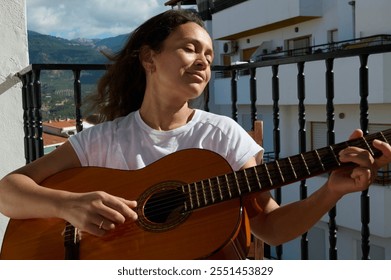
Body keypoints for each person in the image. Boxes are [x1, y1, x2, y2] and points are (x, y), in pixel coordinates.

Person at [0, 9, 391, 256]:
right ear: (149, 58)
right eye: (189, 48)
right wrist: (67, 206)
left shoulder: (225, 137)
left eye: (208, 54)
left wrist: (332, 190)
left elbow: (270, 228)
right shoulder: (100, 140)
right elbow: (8, 190)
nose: (203, 61)